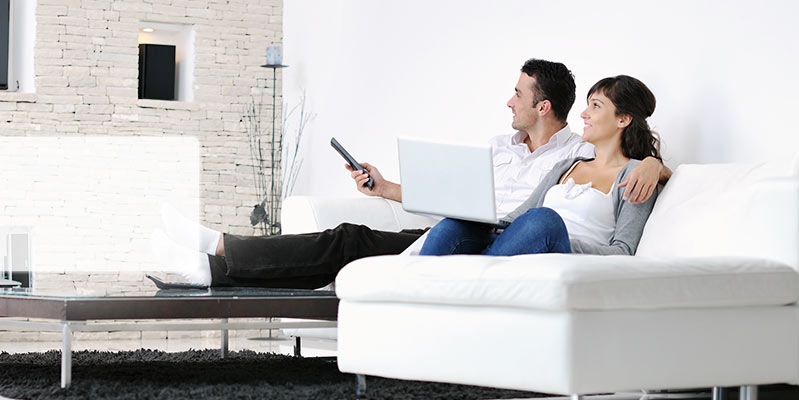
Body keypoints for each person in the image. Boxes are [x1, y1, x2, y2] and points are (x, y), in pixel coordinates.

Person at [152, 59, 671, 288]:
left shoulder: (571, 152)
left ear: (544, 106)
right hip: (479, 229)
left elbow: (624, 181)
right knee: (354, 237)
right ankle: (216, 259)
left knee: (538, 227)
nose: (507, 101)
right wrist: (388, 188)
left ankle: (218, 256)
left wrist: (653, 162)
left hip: (522, 240)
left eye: (518, 93)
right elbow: (474, 201)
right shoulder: (534, 156)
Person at [420, 75, 661, 256]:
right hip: (517, 243)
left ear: (623, 119)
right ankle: (420, 295)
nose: (583, 114)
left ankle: (478, 274)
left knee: (544, 220)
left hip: (559, 252)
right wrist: (472, 216)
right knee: (451, 227)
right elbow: (517, 217)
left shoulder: (637, 175)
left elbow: (623, 250)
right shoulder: (569, 165)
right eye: (587, 105)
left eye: (595, 106)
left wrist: (562, 241)